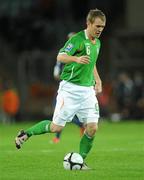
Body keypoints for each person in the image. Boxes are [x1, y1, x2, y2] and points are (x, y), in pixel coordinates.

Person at [15, 9, 106, 170]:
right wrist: (76, 58)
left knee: (92, 127)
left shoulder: (97, 43)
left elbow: (92, 63)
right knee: (56, 127)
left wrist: (98, 80)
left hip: (87, 92)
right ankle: (26, 133)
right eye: (97, 26)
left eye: (103, 27)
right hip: (70, 89)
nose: (100, 29)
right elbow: (60, 56)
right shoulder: (77, 39)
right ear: (89, 23)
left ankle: (80, 160)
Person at [52, 32, 84, 143]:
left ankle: (81, 126)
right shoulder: (64, 52)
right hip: (64, 86)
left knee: (65, 112)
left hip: (75, 87)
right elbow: (57, 68)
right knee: (60, 111)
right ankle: (58, 136)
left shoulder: (80, 53)